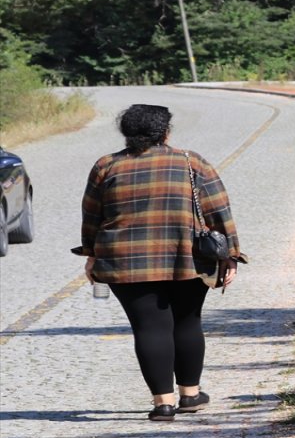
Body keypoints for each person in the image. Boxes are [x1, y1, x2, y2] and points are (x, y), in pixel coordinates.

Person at [74, 104, 246, 421]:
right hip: (188, 256)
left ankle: (163, 403)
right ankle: (191, 395)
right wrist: (231, 255)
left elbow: (92, 216)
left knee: (149, 326)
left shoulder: (106, 166)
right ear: (165, 132)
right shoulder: (191, 162)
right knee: (188, 320)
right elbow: (219, 210)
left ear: (126, 134)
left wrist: (91, 254)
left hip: (125, 261)